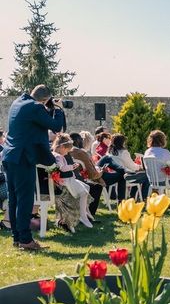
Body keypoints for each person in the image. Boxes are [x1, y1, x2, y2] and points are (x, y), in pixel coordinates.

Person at [1, 85, 64, 250]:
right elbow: (56, 126)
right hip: (22, 158)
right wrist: (57, 108)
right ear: (45, 100)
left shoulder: (17, 102)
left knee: (14, 200)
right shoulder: (35, 107)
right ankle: (26, 240)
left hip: (9, 157)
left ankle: (18, 238)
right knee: (25, 201)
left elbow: (35, 124)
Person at [51, 134, 93, 232]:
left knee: (86, 187)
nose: (66, 153)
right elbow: (61, 168)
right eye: (66, 151)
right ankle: (83, 215)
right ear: (61, 147)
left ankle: (84, 212)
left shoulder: (56, 154)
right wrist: (72, 167)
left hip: (67, 179)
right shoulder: (59, 156)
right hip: (66, 181)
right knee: (84, 192)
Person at [69, 132, 107, 218]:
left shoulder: (67, 151)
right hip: (80, 180)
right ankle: (90, 213)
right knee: (98, 186)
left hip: (69, 179)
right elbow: (92, 174)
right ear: (78, 141)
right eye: (81, 140)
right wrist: (101, 172)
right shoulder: (81, 153)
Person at [108, 133, 150, 198]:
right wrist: (140, 167)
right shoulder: (123, 152)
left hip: (112, 176)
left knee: (138, 177)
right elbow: (132, 166)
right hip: (124, 176)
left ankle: (133, 197)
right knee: (146, 176)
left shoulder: (109, 152)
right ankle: (143, 198)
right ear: (121, 142)